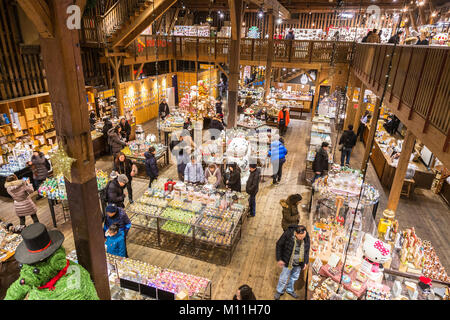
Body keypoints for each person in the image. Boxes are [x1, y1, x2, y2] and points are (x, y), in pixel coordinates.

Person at [274, 225, 310, 300]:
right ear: (296, 234)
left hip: (299, 263)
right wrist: (279, 258)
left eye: (304, 237)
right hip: (288, 260)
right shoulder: (288, 234)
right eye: (301, 237)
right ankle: (279, 291)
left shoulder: (306, 236)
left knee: (294, 277)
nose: (302, 239)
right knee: (283, 278)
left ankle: (289, 289)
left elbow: (306, 250)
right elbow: (279, 244)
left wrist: (305, 262)